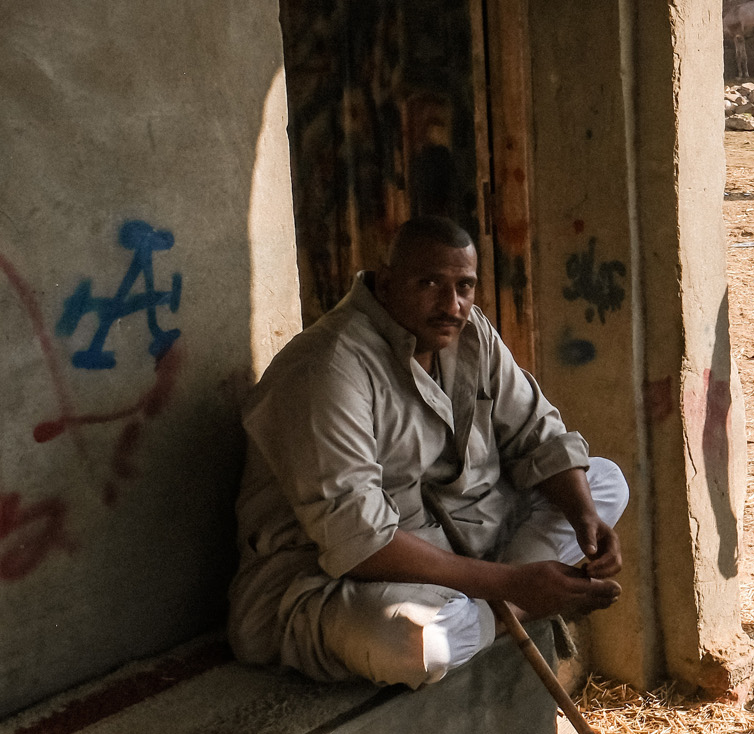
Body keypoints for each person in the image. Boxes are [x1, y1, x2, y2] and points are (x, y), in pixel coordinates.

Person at [228, 216, 627, 688]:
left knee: (603, 482)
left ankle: (488, 605)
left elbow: (538, 435)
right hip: (330, 580)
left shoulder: (469, 332)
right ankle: (509, 608)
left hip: (463, 540)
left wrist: (584, 517)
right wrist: (515, 588)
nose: (451, 305)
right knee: (417, 644)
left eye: (464, 286)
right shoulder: (329, 366)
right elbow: (360, 542)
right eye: (430, 284)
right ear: (386, 283)